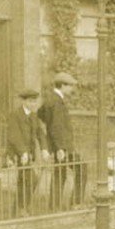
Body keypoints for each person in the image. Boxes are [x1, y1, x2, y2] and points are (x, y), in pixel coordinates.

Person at [39, 70, 79, 209]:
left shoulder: (52, 99)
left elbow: (41, 115)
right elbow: (55, 127)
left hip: (60, 146)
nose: (71, 89)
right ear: (62, 85)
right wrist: (60, 148)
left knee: (60, 174)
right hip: (63, 147)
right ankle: (75, 203)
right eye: (69, 86)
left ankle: (54, 205)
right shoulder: (56, 101)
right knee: (81, 169)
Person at [6, 87, 46, 214]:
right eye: (30, 101)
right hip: (17, 154)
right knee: (31, 179)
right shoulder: (15, 115)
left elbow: (40, 133)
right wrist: (22, 152)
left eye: (34, 101)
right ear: (23, 101)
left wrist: (44, 148)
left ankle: (16, 209)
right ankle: (23, 207)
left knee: (23, 182)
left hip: (28, 155)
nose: (33, 104)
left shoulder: (34, 116)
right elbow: (14, 136)